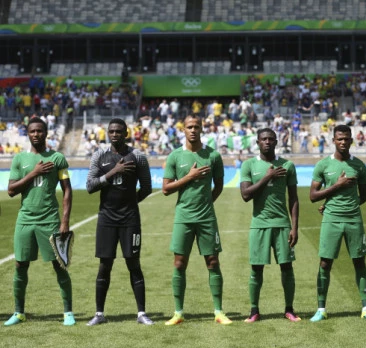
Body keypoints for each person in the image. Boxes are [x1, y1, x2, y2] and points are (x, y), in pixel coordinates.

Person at [5, 117, 74, 326]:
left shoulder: (57, 158)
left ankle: (68, 313)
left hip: (50, 220)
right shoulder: (19, 159)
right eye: (32, 131)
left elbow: (67, 190)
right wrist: (33, 173)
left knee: (59, 265)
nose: (36, 134)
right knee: (20, 265)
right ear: (28, 133)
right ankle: (19, 312)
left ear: (46, 133)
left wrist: (65, 221)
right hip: (25, 219)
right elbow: (11, 190)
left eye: (40, 131)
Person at [162, 114, 231, 325]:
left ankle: (218, 312)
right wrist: (189, 177)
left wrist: (207, 203)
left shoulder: (213, 156)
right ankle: (178, 313)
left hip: (207, 217)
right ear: (183, 130)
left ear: (202, 129)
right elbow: (166, 188)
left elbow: (219, 185)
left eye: (197, 127)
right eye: (189, 127)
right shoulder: (175, 156)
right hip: (183, 217)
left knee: (213, 262)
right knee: (179, 263)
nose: (193, 130)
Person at [85, 118, 153, 326]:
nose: (115, 134)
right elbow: (90, 186)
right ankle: (99, 313)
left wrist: (130, 203)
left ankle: (141, 313)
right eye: (111, 131)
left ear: (126, 133)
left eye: (119, 131)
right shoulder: (99, 155)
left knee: (134, 263)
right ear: (108, 133)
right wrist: (112, 172)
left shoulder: (138, 156)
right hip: (106, 219)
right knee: (105, 265)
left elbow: (147, 187)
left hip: (130, 220)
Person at [308, 125, 366, 322]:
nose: (343, 142)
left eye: (346, 139)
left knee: (359, 261)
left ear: (351, 141)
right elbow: (313, 196)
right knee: (325, 262)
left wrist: (349, 205)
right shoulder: (323, 165)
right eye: (339, 139)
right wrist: (337, 186)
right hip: (331, 219)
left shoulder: (359, 165)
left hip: (354, 219)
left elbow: (363, 196)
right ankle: (321, 309)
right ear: (333, 140)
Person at [239, 128, 301, 322]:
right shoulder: (249, 165)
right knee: (256, 268)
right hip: (259, 224)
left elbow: (293, 198)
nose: (267, 142)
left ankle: (289, 309)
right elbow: (245, 195)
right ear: (258, 142)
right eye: (264, 139)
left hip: (282, 224)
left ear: (276, 142)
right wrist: (267, 177)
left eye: (271, 139)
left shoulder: (287, 165)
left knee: (287, 267)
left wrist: (294, 227)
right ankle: (254, 310)